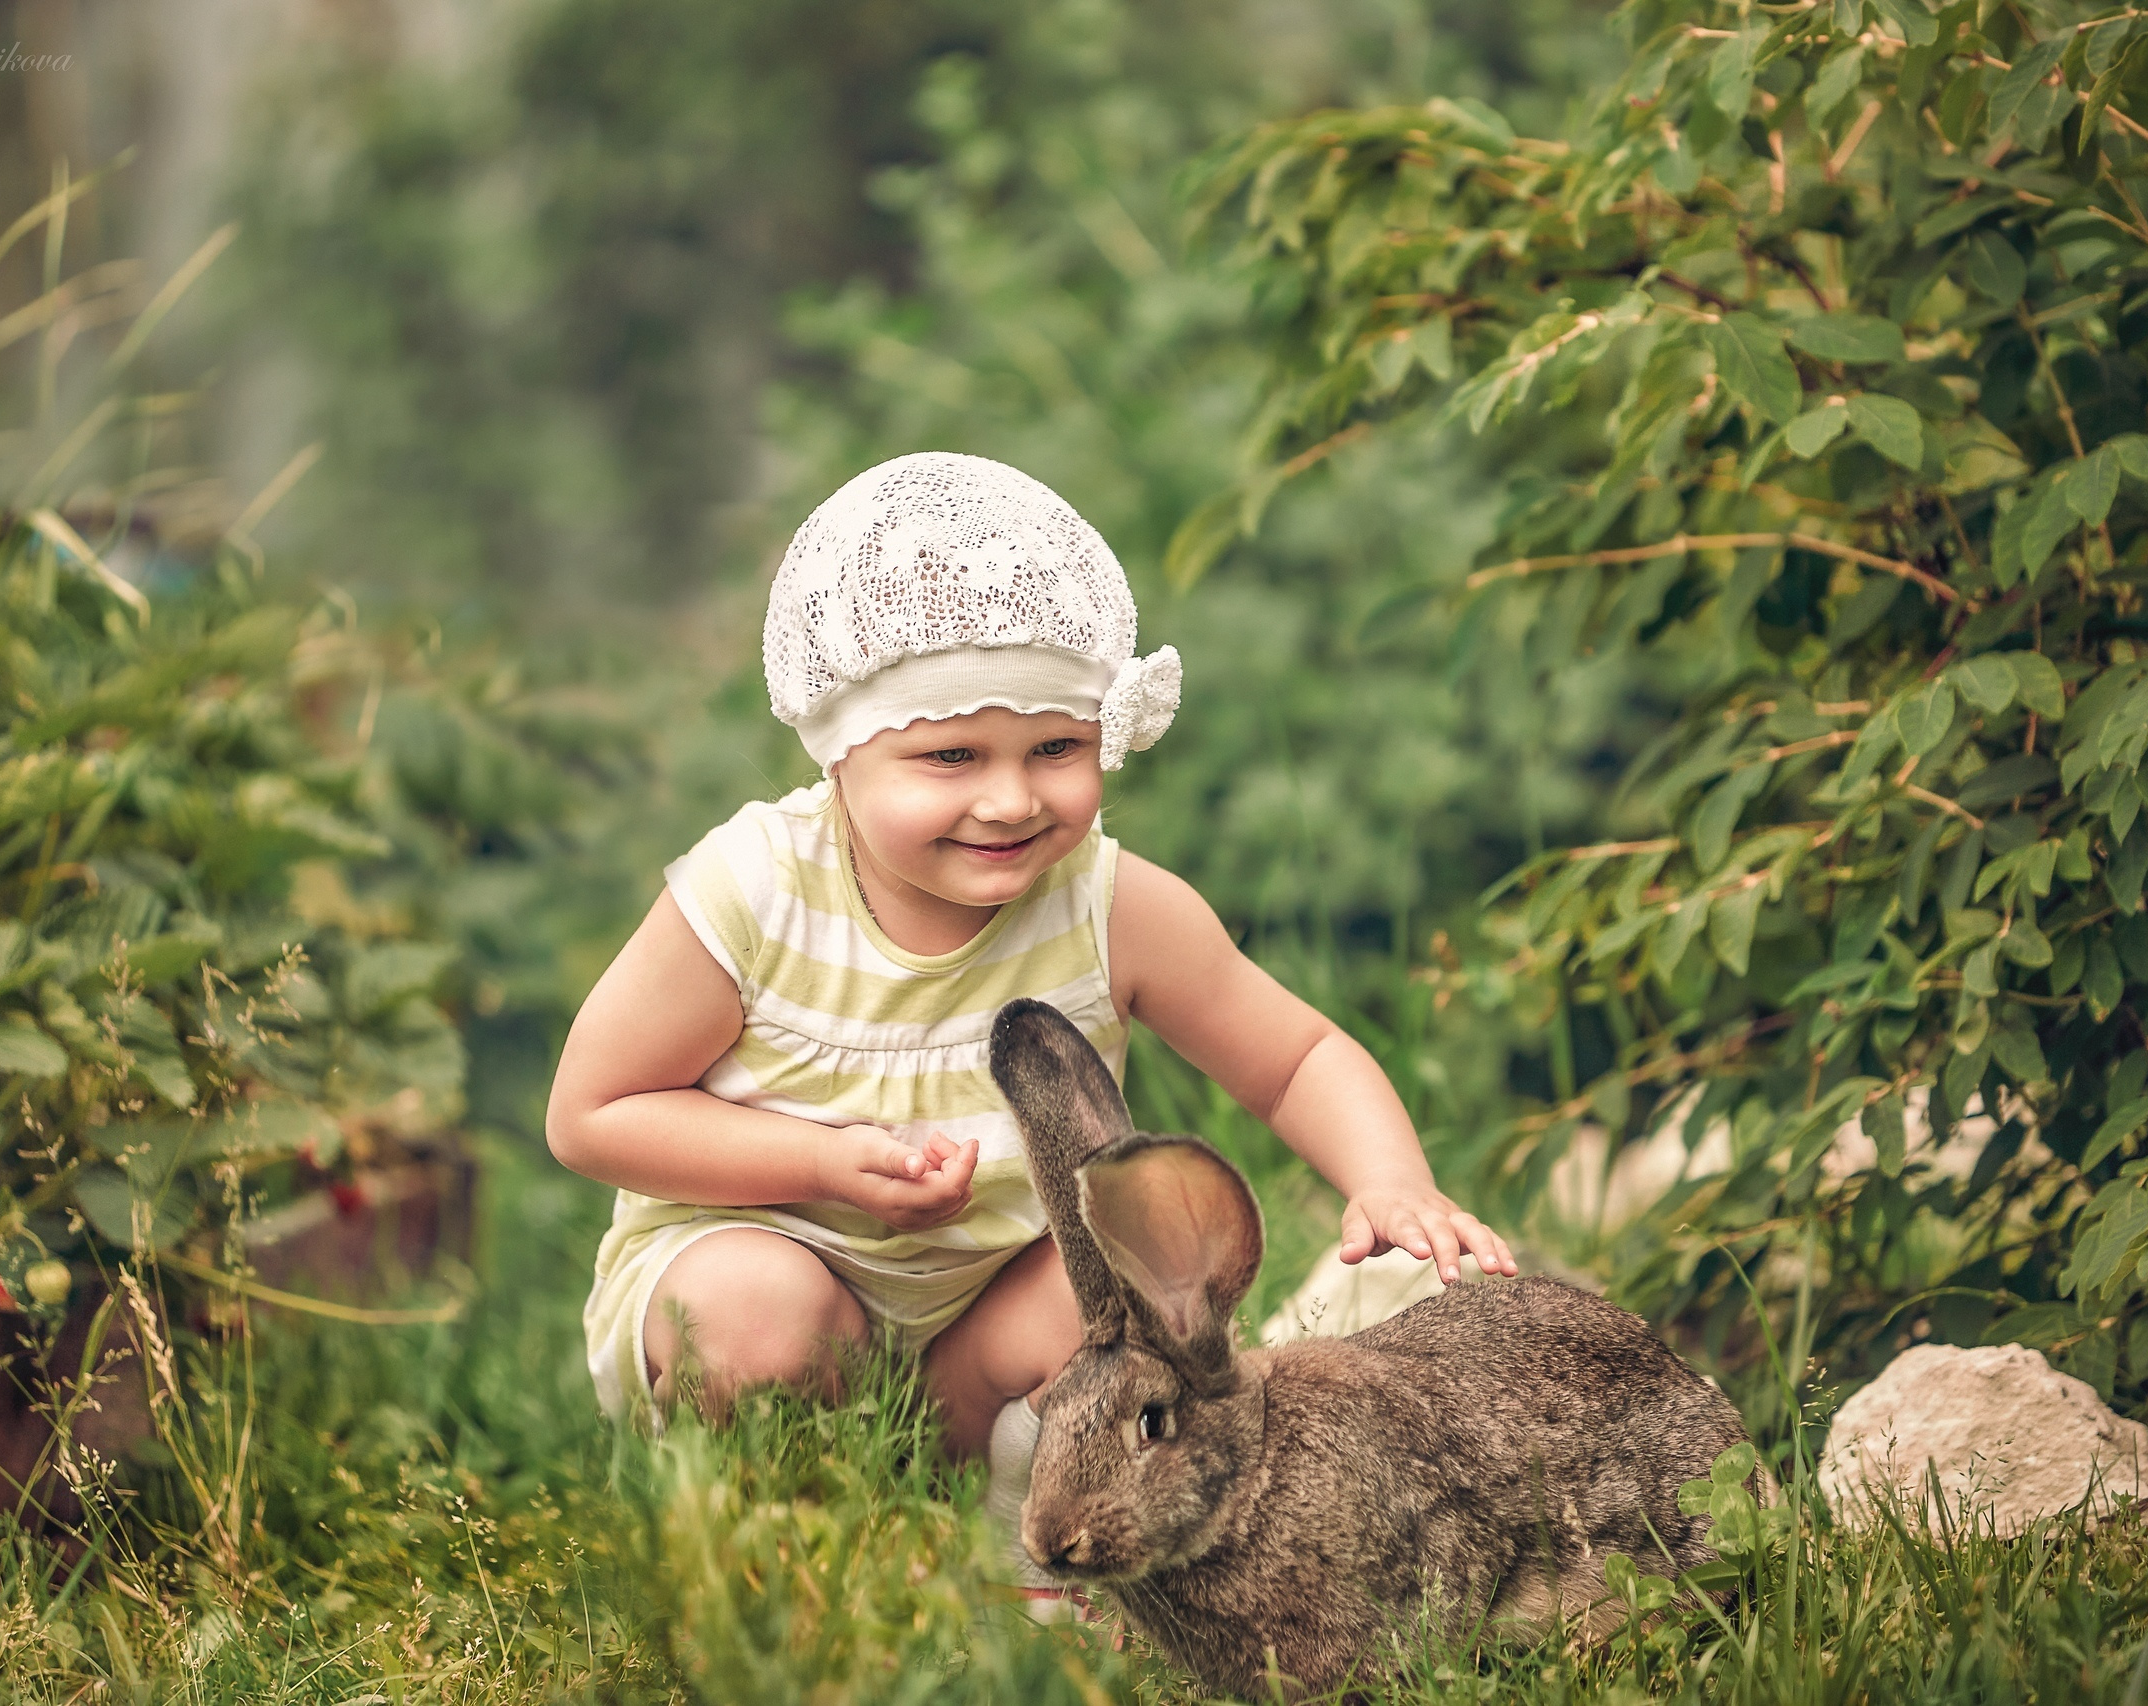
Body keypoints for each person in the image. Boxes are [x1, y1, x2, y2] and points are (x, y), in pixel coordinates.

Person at [548, 452, 1517, 1570]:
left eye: (1056, 748)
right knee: (758, 1304)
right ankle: (806, 1549)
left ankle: (1018, 1530)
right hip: (765, 1286)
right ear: (838, 749)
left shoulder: (1109, 903)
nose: (1009, 798)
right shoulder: (753, 894)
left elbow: (1294, 1055)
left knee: (1113, 1274)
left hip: (984, 1328)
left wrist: (1388, 1178)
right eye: (949, 755)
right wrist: (819, 1162)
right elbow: (592, 1112)